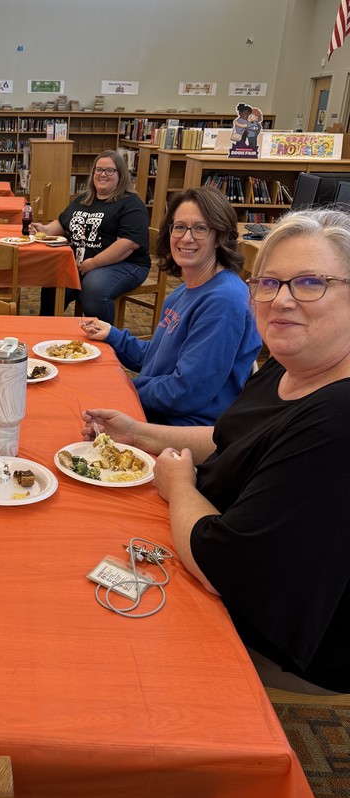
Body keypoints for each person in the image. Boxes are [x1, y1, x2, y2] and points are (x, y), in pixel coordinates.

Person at [82, 207, 350, 695]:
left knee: (96, 645)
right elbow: (228, 437)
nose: (282, 300)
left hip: (271, 633)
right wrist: (139, 434)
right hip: (213, 540)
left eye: (310, 283)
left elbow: (219, 567)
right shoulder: (291, 364)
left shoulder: (337, 420)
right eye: (268, 283)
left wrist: (179, 486)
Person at [79, 187, 261, 425]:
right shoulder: (183, 292)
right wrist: (113, 336)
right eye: (179, 227)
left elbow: (185, 391)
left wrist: (121, 391)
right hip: (162, 410)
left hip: (182, 428)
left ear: (220, 236)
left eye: (200, 228)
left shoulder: (224, 301)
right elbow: (159, 359)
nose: (186, 237)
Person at [34, 150, 150, 319]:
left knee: (93, 287)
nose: (103, 174)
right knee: (54, 280)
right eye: (98, 169)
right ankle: (46, 332)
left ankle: (104, 339)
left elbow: (127, 244)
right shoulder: (83, 199)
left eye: (109, 170)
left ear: (121, 175)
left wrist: (94, 263)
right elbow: (62, 223)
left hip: (127, 264)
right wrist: (45, 230)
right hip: (83, 263)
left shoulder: (131, 204)